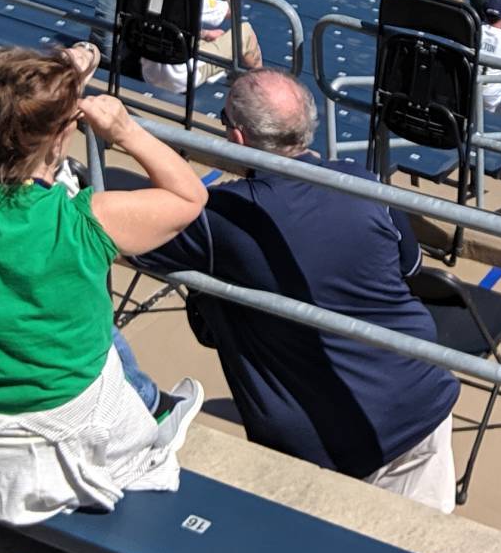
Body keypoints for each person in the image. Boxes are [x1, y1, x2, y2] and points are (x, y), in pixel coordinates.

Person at [0, 46, 206, 530]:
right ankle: (156, 421)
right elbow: (190, 196)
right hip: (77, 430)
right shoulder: (84, 218)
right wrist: (123, 130)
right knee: (104, 343)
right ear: (64, 135)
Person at [143, 71, 463, 509]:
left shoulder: (224, 218)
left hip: (323, 447)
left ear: (236, 136)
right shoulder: (364, 184)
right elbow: (410, 268)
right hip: (420, 403)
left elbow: (120, 233)